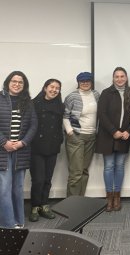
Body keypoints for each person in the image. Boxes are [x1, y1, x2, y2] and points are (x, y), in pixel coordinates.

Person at [0, 71, 37, 228]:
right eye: (14, 81)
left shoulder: (27, 102)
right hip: (3, 151)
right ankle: (8, 224)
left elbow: (33, 125)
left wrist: (23, 142)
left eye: (20, 82)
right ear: (8, 82)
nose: (17, 84)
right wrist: (4, 142)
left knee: (18, 189)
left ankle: (18, 221)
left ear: (24, 85)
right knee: (4, 189)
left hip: (21, 151)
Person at [96, 67, 130, 211]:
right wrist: (114, 131)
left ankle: (117, 196)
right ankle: (109, 197)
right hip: (108, 136)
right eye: (117, 76)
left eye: (122, 76)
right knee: (109, 166)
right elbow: (102, 114)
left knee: (119, 166)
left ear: (126, 78)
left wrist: (128, 131)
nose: (119, 79)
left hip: (124, 136)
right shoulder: (106, 93)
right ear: (113, 78)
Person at [29, 79, 64, 222]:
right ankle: (34, 206)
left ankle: (44, 204)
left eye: (57, 88)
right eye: (52, 87)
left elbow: (59, 126)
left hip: (52, 146)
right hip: (36, 146)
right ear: (45, 88)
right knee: (38, 179)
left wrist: (59, 140)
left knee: (47, 179)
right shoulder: (33, 104)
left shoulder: (60, 106)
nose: (54, 90)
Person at [63, 72, 100, 197]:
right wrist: (70, 133)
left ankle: (80, 201)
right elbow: (65, 116)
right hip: (76, 137)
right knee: (76, 172)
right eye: (82, 81)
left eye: (87, 81)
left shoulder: (96, 95)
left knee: (84, 170)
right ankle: (71, 203)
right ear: (78, 82)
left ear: (91, 82)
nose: (85, 83)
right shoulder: (72, 96)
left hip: (91, 137)